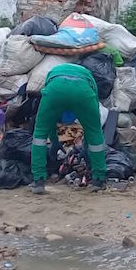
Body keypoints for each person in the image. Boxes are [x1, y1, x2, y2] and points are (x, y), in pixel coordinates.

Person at [29, 63, 108, 195]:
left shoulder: (53, 73)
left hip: (56, 90)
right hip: (83, 91)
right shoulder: (89, 78)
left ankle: (38, 181)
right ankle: (99, 180)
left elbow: (49, 123)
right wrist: (86, 146)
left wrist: (54, 141)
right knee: (95, 133)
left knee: (39, 134)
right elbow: (92, 128)